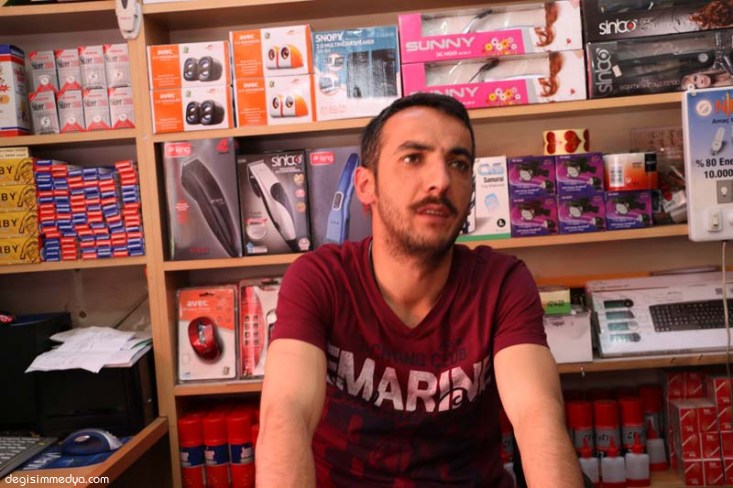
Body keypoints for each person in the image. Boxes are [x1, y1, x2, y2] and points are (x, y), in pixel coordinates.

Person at [256, 92, 584, 487]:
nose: (441, 181)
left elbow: (537, 416)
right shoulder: (319, 278)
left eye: (458, 164)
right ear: (366, 185)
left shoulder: (502, 282)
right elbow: (285, 415)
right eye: (414, 158)